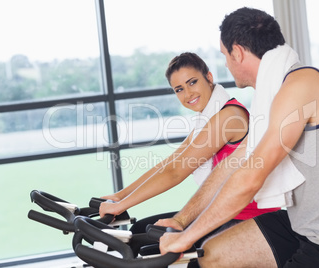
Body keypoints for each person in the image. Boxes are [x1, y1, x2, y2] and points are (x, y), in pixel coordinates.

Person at [158, 7, 319, 268]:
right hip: (305, 223)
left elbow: (250, 179)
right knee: (211, 255)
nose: (226, 65)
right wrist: (181, 220)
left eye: (224, 56)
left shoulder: (299, 86)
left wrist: (187, 237)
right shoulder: (276, 92)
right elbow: (235, 163)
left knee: (200, 250)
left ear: (237, 52)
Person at [99, 52, 279, 239]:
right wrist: (120, 196)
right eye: (179, 89)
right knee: (140, 231)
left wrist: (121, 206)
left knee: (143, 236)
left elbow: (176, 171)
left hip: (247, 218)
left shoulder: (229, 117)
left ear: (209, 77)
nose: (188, 94)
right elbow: (171, 162)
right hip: (222, 212)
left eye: (192, 82)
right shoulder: (208, 117)